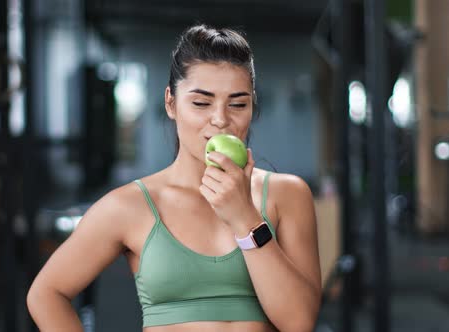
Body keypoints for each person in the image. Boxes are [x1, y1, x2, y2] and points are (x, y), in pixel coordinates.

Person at [27, 24, 322, 332]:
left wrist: (245, 219)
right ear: (171, 103)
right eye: (201, 102)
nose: (221, 119)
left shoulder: (287, 194)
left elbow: (299, 322)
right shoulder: (131, 204)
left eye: (238, 103)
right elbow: (46, 293)